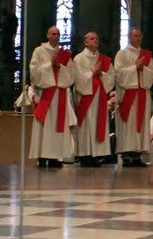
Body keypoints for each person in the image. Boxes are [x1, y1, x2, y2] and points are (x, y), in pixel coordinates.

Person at [28, 26, 76, 168]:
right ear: (47, 35)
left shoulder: (65, 54)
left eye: (58, 34)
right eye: (53, 34)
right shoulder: (39, 51)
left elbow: (71, 74)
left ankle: (55, 157)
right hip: (45, 94)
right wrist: (50, 65)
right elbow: (34, 71)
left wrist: (60, 66)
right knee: (44, 126)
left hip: (59, 95)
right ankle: (42, 157)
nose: (55, 36)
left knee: (57, 126)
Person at [114, 27, 153, 167]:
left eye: (140, 36)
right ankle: (126, 156)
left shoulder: (146, 55)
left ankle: (137, 155)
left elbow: (152, 73)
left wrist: (143, 68)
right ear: (129, 37)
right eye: (136, 36)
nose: (138, 38)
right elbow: (118, 74)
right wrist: (134, 68)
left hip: (142, 94)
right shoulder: (122, 54)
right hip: (128, 95)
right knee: (128, 125)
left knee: (140, 125)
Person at [73, 32, 115, 167]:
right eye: (92, 38)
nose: (95, 40)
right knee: (86, 125)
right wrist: (92, 72)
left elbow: (111, 78)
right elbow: (77, 79)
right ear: (85, 42)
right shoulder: (79, 59)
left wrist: (101, 73)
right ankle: (85, 156)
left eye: (96, 38)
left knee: (98, 124)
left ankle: (96, 155)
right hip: (86, 97)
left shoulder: (104, 59)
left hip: (99, 97)